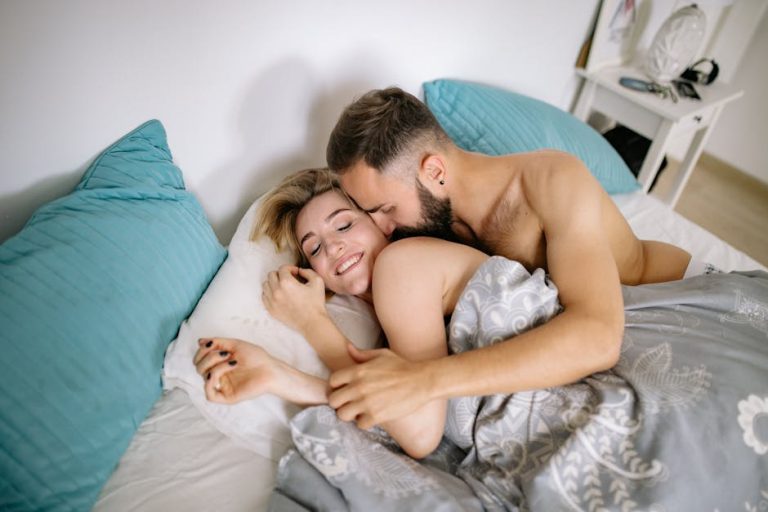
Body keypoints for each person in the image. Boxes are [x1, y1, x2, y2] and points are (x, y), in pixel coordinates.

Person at [322, 86, 694, 429]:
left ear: (434, 171)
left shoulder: (553, 181)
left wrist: (427, 380)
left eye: (385, 208)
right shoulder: (423, 220)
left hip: (670, 293)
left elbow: (598, 337)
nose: (383, 228)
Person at [194, 168, 489, 458]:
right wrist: (277, 376)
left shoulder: (403, 262)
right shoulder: (393, 334)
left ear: (382, 222)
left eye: (344, 225)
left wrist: (311, 322)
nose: (333, 246)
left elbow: (421, 433)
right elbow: (400, 415)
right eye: (315, 248)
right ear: (315, 272)